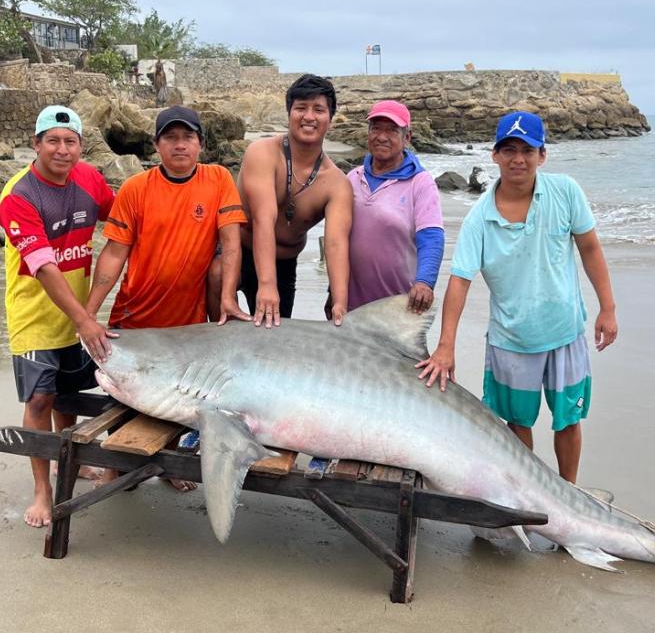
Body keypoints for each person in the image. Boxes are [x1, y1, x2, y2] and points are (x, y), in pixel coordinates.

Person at [416, 111, 618, 484]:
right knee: (517, 423)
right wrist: (445, 346)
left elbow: (589, 248)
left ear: (543, 155)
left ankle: (568, 491)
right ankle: (529, 494)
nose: (518, 159)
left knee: (568, 420)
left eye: (528, 150)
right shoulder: (480, 218)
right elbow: (460, 281)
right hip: (511, 341)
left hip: (565, 334)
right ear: (495, 155)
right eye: (509, 149)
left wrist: (608, 307)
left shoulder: (566, 192)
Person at [85, 105, 250, 488]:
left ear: (200, 144)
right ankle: (114, 468)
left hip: (187, 321)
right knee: (127, 398)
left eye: (187, 137)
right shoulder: (135, 188)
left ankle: (169, 470)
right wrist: (88, 313)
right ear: (156, 145)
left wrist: (228, 298)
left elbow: (231, 244)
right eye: (171, 138)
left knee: (181, 400)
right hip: (136, 315)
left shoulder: (218, 179)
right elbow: (113, 254)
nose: (180, 145)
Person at [0, 105, 116, 528]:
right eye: (53, 140)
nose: (62, 150)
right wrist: (86, 320)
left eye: (70, 142)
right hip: (34, 316)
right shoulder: (19, 196)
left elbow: (120, 222)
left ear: (81, 146)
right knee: (40, 399)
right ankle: (42, 487)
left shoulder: (89, 180)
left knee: (69, 395)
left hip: (79, 312)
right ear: (36, 144)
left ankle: (70, 457)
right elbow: (44, 266)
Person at [237, 74, 353, 327]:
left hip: (283, 265)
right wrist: (266, 286)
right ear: (289, 113)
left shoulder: (336, 183)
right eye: (301, 108)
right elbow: (262, 219)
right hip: (238, 252)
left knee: (274, 333)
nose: (309, 117)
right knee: (215, 280)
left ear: (330, 120)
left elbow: (335, 244)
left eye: (319, 110)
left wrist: (340, 301)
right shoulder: (262, 153)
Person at [345, 100, 444, 313]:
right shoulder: (353, 177)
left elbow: (431, 237)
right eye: (376, 128)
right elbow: (336, 238)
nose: (382, 136)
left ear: (407, 137)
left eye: (391, 130)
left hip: (399, 306)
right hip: (350, 307)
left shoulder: (421, 182)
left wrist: (425, 282)